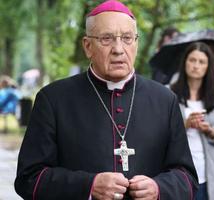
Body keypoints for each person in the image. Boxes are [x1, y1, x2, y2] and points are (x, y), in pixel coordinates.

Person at [14, 1, 198, 200]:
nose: (118, 49)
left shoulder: (165, 100)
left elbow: (187, 178)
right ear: (87, 46)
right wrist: (88, 186)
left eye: (127, 38)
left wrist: (159, 188)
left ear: (136, 43)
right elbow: (29, 179)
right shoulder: (53, 99)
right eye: (106, 39)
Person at [170, 42, 214, 200]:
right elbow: (157, 134)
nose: (196, 65)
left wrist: (210, 130)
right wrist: (185, 124)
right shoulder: (168, 93)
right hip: (177, 174)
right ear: (185, 62)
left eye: (201, 62)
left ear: (208, 67)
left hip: (207, 173)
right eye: (192, 60)